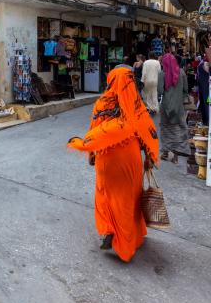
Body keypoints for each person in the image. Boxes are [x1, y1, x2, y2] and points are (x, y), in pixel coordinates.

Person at [68, 67, 158, 262]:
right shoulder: (135, 103)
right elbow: (145, 132)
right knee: (129, 199)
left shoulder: (102, 102)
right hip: (130, 158)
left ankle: (109, 229)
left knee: (104, 194)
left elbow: (94, 129)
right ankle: (127, 243)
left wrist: (92, 154)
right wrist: (149, 157)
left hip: (106, 157)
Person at [158, 54, 190, 163]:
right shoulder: (181, 73)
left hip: (166, 106)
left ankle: (166, 152)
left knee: (166, 128)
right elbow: (186, 89)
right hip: (179, 106)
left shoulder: (162, 74)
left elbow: (160, 91)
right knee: (178, 129)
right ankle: (176, 156)